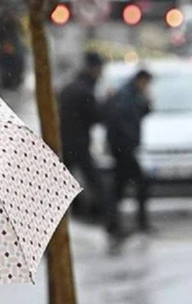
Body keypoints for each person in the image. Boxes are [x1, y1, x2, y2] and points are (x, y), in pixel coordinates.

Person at [59, 52, 110, 219]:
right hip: (78, 143)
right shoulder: (85, 91)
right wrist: (108, 103)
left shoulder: (71, 87)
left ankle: (79, 212)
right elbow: (96, 116)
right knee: (94, 181)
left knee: (62, 183)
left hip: (65, 142)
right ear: (95, 69)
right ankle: (109, 219)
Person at [106, 69, 153, 238]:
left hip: (123, 148)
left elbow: (142, 113)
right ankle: (122, 223)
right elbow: (122, 121)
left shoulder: (132, 94)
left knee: (120, 187)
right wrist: (128, 143)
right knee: (138, 184)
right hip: (123, 149)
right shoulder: (126, 95)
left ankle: (114, 223)